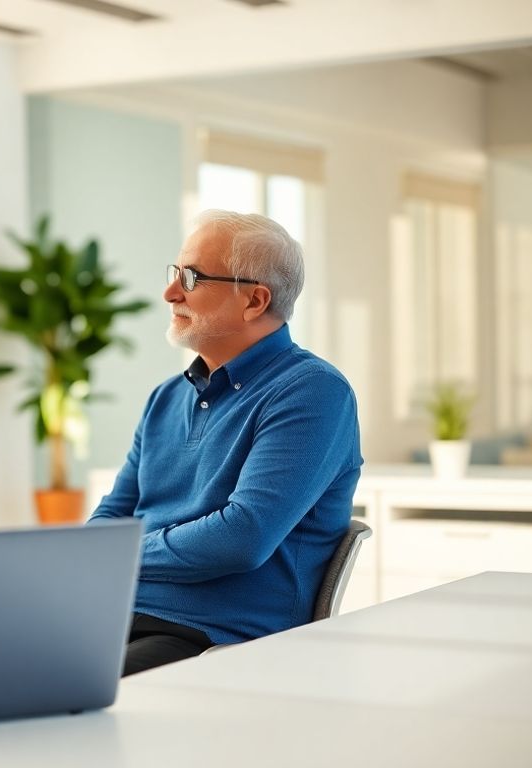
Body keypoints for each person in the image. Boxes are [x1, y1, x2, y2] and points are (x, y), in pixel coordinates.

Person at [89, 210, 362, 676]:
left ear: (255, 301)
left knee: (53, 703)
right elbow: (113, 515)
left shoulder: (313, 392)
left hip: (215, 635)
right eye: (175, 273)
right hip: (114, 614)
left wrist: (120, 555)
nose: (170, 292)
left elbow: (240, 539)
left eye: (192, 277)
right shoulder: (166, 397)